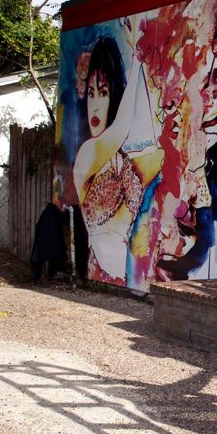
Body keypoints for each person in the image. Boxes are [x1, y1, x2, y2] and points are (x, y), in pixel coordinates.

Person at [73, 36, 162, 286]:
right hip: (101, 271)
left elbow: (161, 155)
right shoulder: (85, 156)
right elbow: (121, 128)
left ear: (117, 97)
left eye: (103, 93)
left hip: (127, 274)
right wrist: (136, 64)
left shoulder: (122, 161)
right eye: (91, 93)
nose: (96, 106)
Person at [30, 201, 66, 282]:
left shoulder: (46, 215)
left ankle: (38, 276)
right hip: (53, 244)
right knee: (55, 253)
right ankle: (52, 274)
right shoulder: (54, 215)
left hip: (42, 243)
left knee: (40, 256)